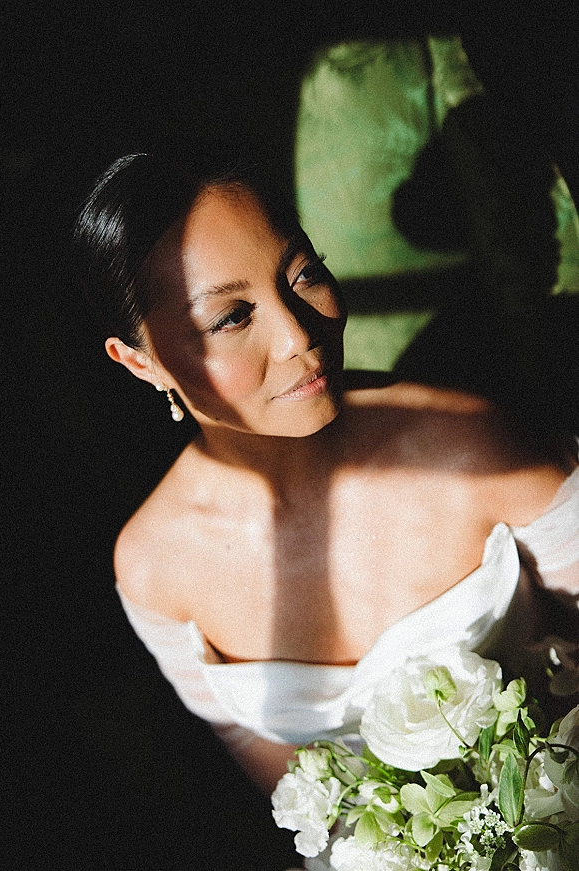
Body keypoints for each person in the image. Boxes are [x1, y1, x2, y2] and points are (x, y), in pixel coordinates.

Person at [74, 153, 579, 800]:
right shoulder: (153, 569)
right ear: (140, 362)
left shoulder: (480, 447)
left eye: (304, 274)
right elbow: (296, 796)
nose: (297, 336)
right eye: (232, 316)